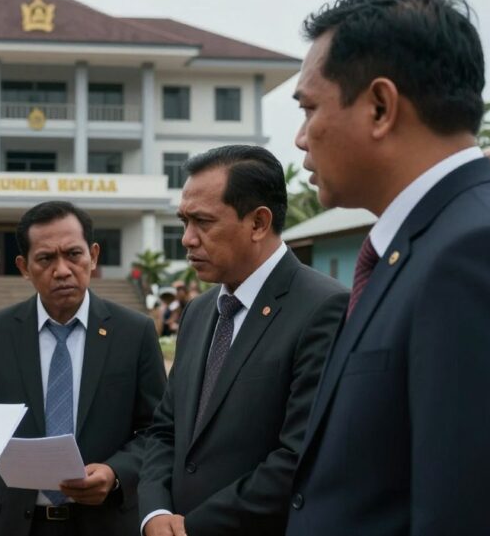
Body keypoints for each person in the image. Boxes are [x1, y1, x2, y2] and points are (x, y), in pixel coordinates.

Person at [287, 0, 490, 535]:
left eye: (309, 108)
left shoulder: (480, 253)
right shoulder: (418, 245)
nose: (299, 137)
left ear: (380, 106)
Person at [138, 146, 348, 536]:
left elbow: (298, 456)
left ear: (258, 223)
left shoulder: (323, 308)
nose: (187, 239)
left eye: (202, 222)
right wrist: (155, 512)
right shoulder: (200, 312)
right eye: (184, 221)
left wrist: (194, 526)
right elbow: (166, 429)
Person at [0, 201, 167, 536]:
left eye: (74, 254)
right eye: (46, 258)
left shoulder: (134, 332)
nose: (62, 269)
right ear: (24, 266)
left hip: (106, 523)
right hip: (13, 525)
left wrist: (115, 472)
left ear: (93, 256)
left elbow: (157, 431)